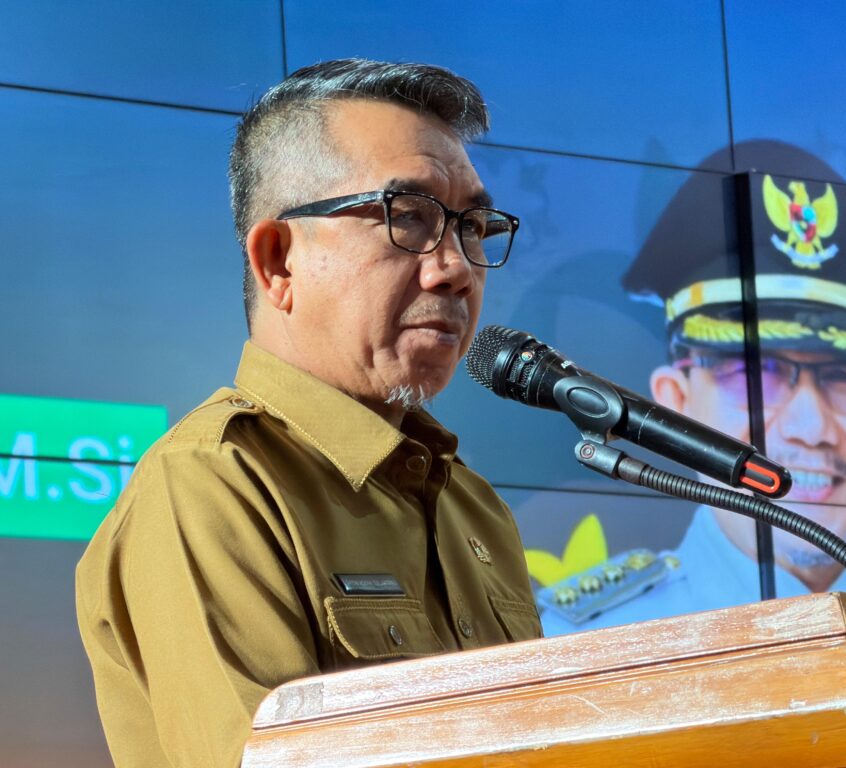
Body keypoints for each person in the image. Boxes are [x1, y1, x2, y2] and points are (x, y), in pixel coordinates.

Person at [76, 59, 542, 767]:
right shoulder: (213, 485)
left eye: (473, 226)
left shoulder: (472, 506)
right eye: (409, 217)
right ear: (278, 262)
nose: (455, 268)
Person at [540, 140, 846, 635]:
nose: (811, 428)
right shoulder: (585, 641)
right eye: (757, 376)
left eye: (843, 377)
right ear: (675, 406)